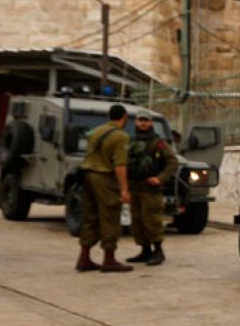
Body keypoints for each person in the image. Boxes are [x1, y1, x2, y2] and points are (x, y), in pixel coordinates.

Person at [76, 103, 134, 273]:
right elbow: (120, 165)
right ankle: (109, 260)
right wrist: (124, 189)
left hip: (87, 176)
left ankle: (84, 257)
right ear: (124, 118)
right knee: (110, 216)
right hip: (104, 178)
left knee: (90, 216)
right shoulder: (121, 137)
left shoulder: (95, 132)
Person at [125, 111, 178, 266]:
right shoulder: (131, 141)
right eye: (140, 120)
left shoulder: (158, 142)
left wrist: (160, 178)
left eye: (145, 120)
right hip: (134, 186)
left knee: (152, 220)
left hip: (150, 188)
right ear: (135, 122)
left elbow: (172, 161)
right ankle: (145, 250)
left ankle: (158, 251)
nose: (142, 123)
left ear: (150, 123)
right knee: (137, 220)